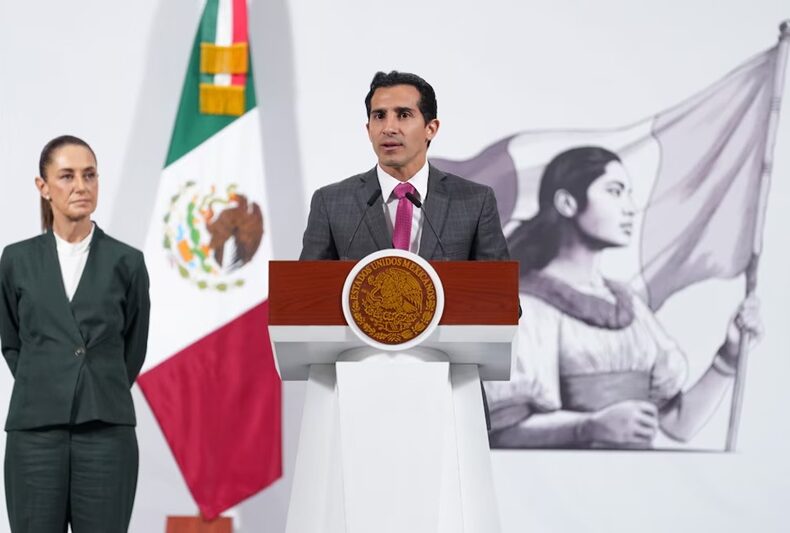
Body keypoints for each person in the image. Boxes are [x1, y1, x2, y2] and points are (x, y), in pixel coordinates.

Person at [485, 146, 761, 449]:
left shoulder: (628, 305)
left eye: (629, 194)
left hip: (635, 477)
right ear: (567, 203)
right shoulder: (525, 306)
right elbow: (502, 431)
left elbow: (677, 424)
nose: (630, 208)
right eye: (615, 192)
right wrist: (589, 427)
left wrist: (729, 356)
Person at [0, 135, 150, 531]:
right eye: (67, 176)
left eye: (90, 175)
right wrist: (48, 380)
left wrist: (97, 386)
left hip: (107, 432)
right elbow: (12, 342)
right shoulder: (15, 260)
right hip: (34, 434)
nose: (81, 186)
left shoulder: (127, 262)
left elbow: (133, 348)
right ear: (43, 186)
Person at [299, 70, 509, 262]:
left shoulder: (475, 202)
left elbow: (499, 290)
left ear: (430, 128)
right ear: (369, 129)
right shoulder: (331, 203)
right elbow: (307, 288)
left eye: (403, 115)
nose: (389, 128)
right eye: (379, 116)